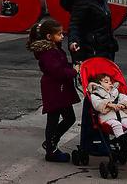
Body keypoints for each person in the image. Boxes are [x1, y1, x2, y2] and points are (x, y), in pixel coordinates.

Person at [61, 0, 119, 154]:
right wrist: (74, 44)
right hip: (92, 55)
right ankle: (90, 138)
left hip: (105, 54)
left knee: (107, 95)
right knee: (94, 97)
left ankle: (102, 134)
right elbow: (75, 26)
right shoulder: (84, 1)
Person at [27, 18, 80, 163]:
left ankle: (50, 143)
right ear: (49, 37)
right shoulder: (48, 52)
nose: (62, 36)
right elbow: (57, 71)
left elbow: (61, 65)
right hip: (55, 89)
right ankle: (51, 149)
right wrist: (73, 71)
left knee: (67, 118)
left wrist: (72, 65)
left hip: (59, 89)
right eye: (59, 34)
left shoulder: (54, 48)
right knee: (55, 118)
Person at [87, 73, 127, 157]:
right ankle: (126, 147)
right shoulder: (95, 94)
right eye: (106, 81)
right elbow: (97, 104)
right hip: (107, 118)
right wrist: (109, 104)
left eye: (110, 81)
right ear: (98, 84)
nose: (110, 83)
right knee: (117, 124)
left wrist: (122, 104)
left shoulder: (116, 92)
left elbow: (125, 98)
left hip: (121, 115)